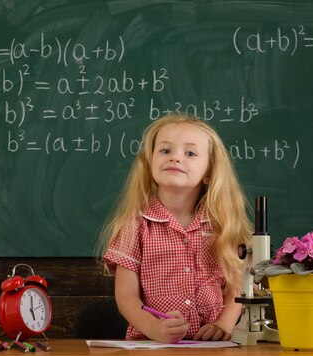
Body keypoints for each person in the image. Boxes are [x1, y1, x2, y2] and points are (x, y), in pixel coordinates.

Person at [100, 114, 252, 343]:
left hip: (212, 348)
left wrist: (224, 324)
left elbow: (236, 287)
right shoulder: (135, 225)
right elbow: (126, 296)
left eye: (190, 153)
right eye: (165, 151)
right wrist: (153, 327)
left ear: (209, 173)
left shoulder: (223, 226)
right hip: (151, 345)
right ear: (150, 162)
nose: (175, 158)